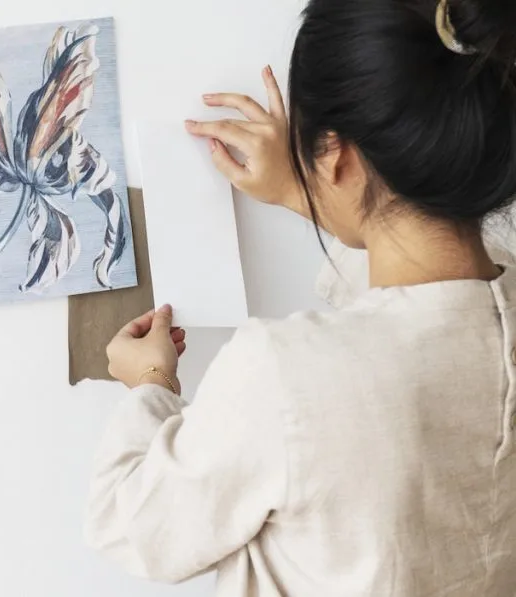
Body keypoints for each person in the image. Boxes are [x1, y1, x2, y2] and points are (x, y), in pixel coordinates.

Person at [83, 0, 516, 595]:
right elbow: (420, 308)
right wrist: (308, 192)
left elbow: (132, 524)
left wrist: (151, 381)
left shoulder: (289, 373)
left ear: (337, 154)